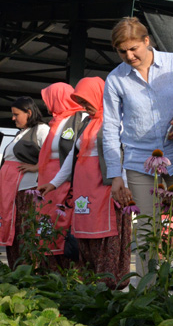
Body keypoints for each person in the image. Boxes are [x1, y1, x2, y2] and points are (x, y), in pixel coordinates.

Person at [103, 17, 173, 276]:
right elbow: (110, 127)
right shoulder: (115, 79)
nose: (129, 56)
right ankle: (148, 292)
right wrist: (115, 175)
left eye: (133, 48)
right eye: (122, 51)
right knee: (147, 229)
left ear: (147, 41)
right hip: (140, 162)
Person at [40, 77, 131, 287]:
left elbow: (125, 152)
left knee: (106, 233)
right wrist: (53, 183)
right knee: (86, 234)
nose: (84, 105)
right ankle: (90, 283)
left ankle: (108, 283)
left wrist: (125, 184)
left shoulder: (117, 120)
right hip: (85, 187)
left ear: (99, 96)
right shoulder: (86, 123)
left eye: (86, 100)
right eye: (80, 101)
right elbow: (72, 157)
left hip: (106, 187)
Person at [0, 97, 50, 268]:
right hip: (12, 188)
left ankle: (29, 268)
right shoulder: (21, 133)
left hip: (27, 187)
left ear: (29, 113)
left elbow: (51, 153)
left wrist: (37, 167)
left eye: (16, 114)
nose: (13, 118)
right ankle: (16, 268)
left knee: (26, 227)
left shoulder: (42, 129)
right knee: (15, 227)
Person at [37, 82, 88, 264]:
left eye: (48, 99)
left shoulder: (80, 118)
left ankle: (66, 261)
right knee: (47, 217)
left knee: (63, 218)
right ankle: (48, 261)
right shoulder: (54, 122)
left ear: (57, 98)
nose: (46, 104)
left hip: (65, 178)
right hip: (48, 177)